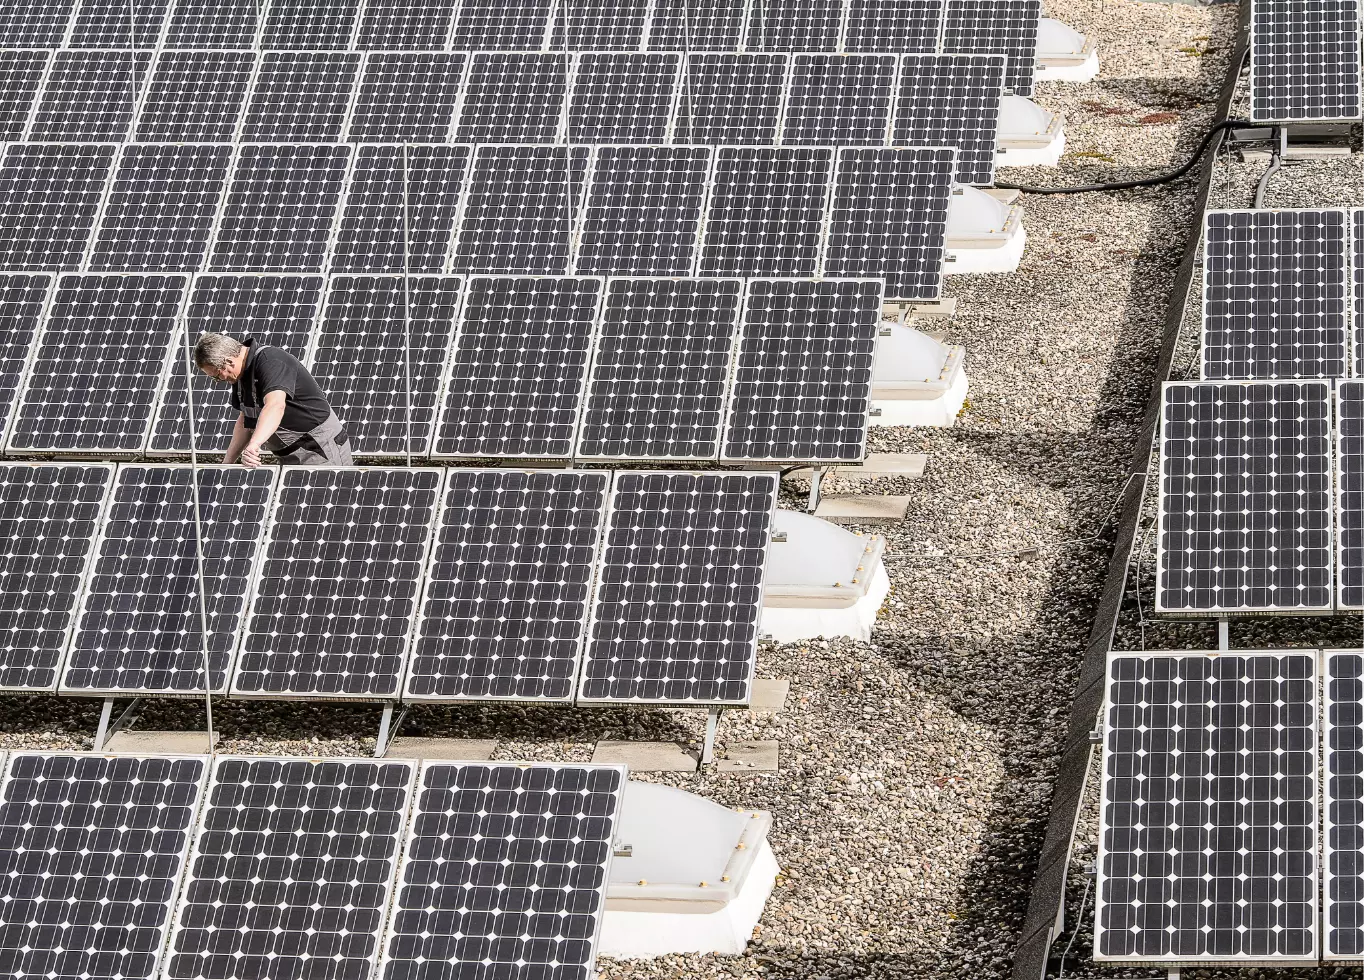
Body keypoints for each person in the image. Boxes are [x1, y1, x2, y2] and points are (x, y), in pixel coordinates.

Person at [193, 333, 352, 468]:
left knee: (326, 498)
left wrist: (254, 445)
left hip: (319, 448)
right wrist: (227, 464)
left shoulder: (270, 361)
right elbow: (246, 421)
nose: (220, 379)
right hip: (289, 455)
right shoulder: (241, 377)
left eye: (217, 375)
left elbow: (275, 405)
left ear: (228, 361)